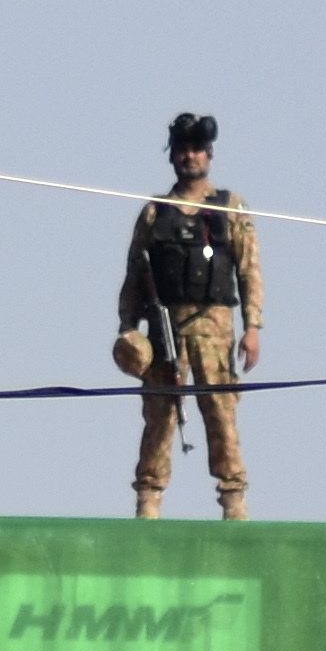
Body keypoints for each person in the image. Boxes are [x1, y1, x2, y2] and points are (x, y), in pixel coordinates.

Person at [115, 110, 262, 521]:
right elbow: (134, 275)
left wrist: (252, 327)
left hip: (215, 326)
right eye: (183, 149)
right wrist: (128, 329)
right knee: (159, 416)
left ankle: (233, 501)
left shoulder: (230, 208)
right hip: (165, 329)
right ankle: (149, 500)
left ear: (209, 154)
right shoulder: (155, 213)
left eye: (197, 149)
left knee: (220, 413)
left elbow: (249, 270)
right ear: (173, 155)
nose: (190, 156)